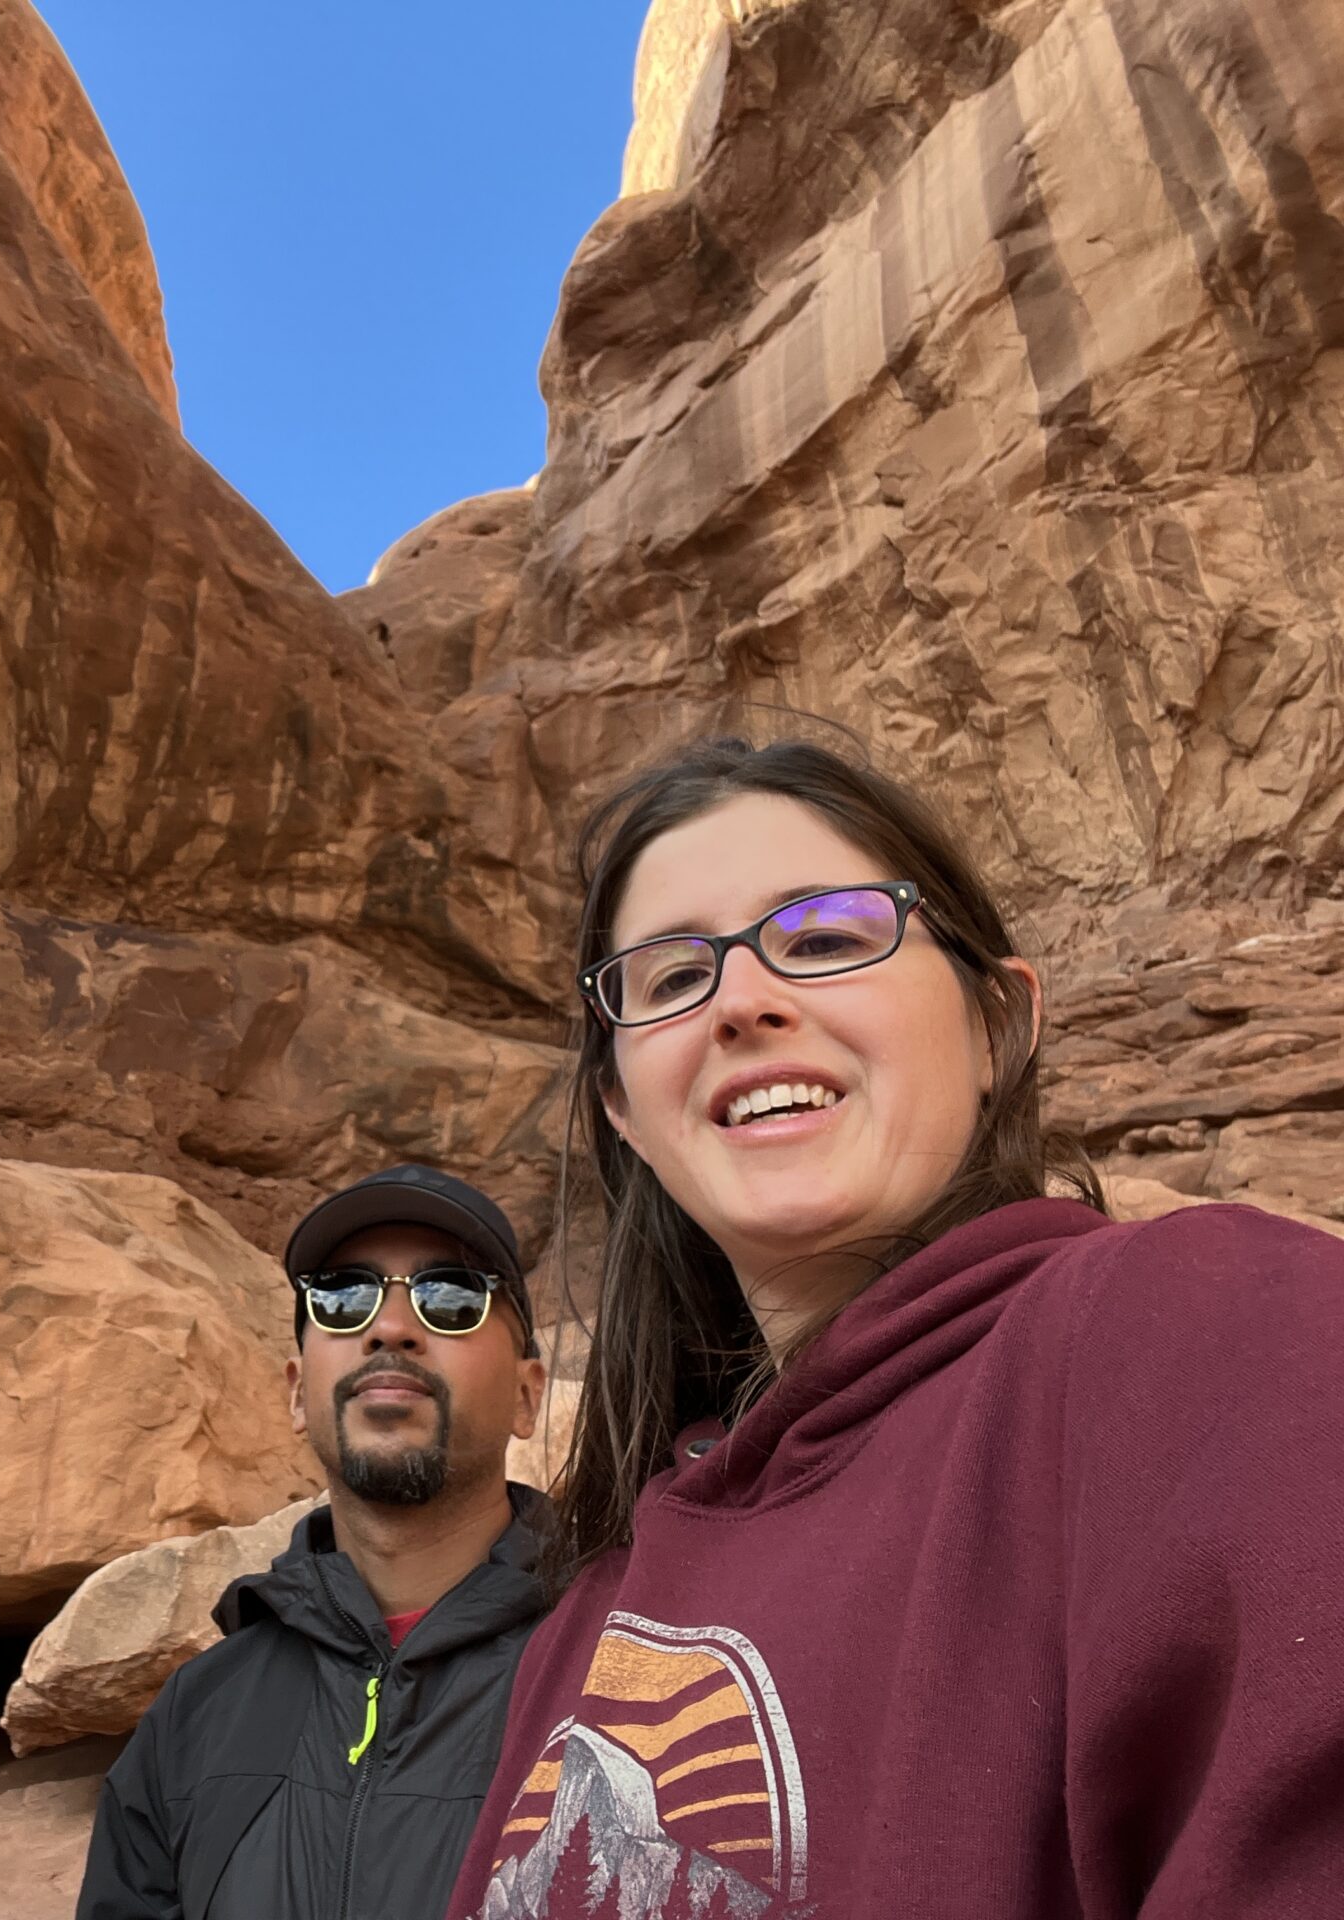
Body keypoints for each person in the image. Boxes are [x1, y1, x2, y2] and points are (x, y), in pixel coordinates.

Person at [444, 736, 1344, 1920]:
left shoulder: (1209, 1329)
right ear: (622, 1110)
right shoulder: (598, 1599)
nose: (742, 1002)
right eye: (668, 979)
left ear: (997, 1024)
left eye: (823, 937)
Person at [77, 1164, 555, 1920]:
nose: (390, 1328)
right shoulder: (195, 1716)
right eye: (342, 1298)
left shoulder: (626, 1671)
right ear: (298, 1393)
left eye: (451, 1297)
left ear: (527, 1396)